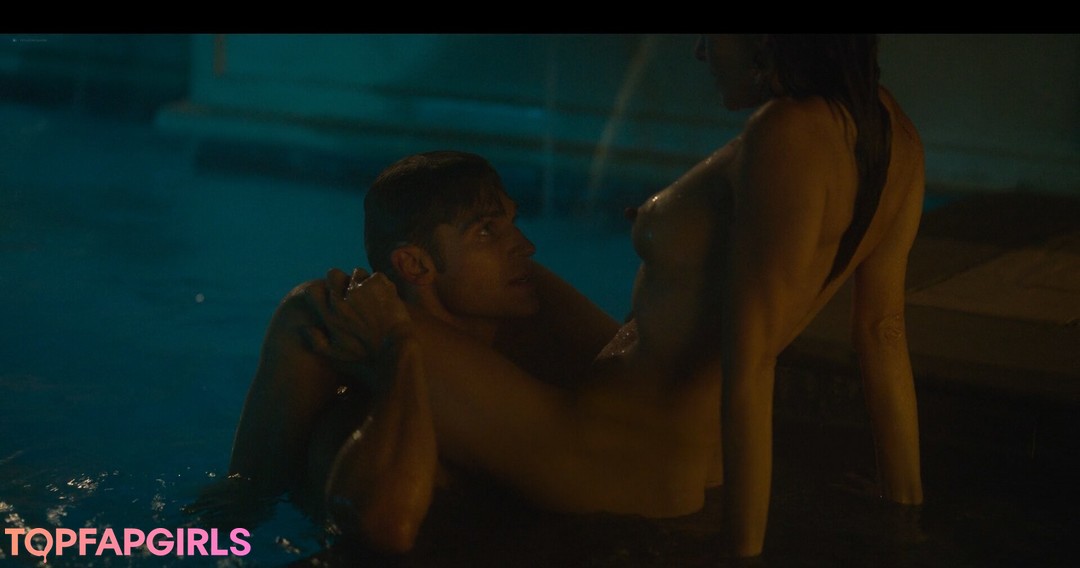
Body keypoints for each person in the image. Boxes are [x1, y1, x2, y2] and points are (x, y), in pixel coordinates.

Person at [314, 34, 926, 559]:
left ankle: (254, 508)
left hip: (608, 457)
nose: (701, 51)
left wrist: (743, 553)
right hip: (667, 445)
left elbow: (752, 359)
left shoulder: (785, 133)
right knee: (500, 278)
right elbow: (883, 330)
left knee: (326, 307)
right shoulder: (892, 132)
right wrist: (904, 505)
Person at [225, 150, 620, 552]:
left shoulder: (525, 356)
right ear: (415, 265)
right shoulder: (360, 418)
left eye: (513, 223)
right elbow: (379, 531)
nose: (527, 247)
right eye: (486, 231)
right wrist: (400, 349)